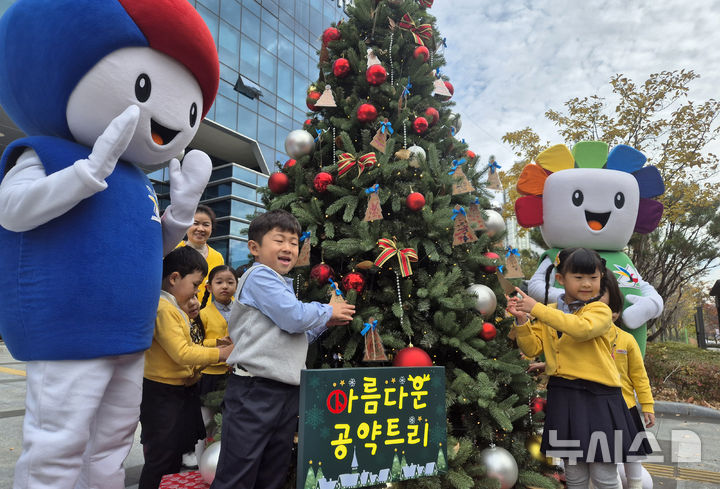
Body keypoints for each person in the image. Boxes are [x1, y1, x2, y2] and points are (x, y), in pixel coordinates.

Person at [211, 210, 356, 489]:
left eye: (293, 241)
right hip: (255, 391)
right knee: (238, 473)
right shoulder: (258, 276)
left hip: (285, 393)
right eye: (279, 240)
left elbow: (296, 332)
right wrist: (326, 309)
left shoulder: (281, 285)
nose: (289, 247)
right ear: (254, 247)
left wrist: (327, 321)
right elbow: (294, 317)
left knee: (273, 472)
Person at [506, 247, 641, 489]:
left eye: (594, 277)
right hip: (564, 395)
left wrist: (536, 308)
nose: (587, 284)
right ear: (561, 279)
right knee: (575, 475)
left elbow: (580, 329)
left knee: (604, 475)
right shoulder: (551, 311)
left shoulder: (599, 309)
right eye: (579, 277)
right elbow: (532, 347)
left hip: (599, 397)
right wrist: (522, 320)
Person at [139, 247, 234, 489]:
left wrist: (215, 343)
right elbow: (182, 353)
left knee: (173, 455)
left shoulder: (173, 307)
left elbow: (190, 344)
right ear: (174, 279)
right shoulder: (164, 309)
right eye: (195, 284)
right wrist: (220, 354)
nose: (197, 291)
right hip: (162, 395)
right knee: (160, 458)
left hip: (177, 393)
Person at [602, 272, 655, 489]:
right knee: (608, 457)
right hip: (602, 408)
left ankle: (634, 485)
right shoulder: (586, 339)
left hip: (628, 407)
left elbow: (639, 377)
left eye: (613, 309)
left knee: (633, 454)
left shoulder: (627, 340)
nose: (609, 314)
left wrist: (648, 406)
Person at [198, 264, 237, 396]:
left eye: (230, 282)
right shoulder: (203, 314)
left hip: (236, 371)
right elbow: (196, 344)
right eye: (219, 282)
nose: (225, 286)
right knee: (207, 413)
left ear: (237, 286)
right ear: (209, 288)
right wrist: (216, 342)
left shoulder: (242, 311)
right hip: (210, 372)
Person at [178, 205, 225, 300]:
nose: (200, 229)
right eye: (195, 223)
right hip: (174, 310)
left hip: (203, 312)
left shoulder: (217, 257)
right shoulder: (173, 248)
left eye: (206, 224)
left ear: (212, 228)